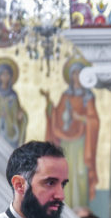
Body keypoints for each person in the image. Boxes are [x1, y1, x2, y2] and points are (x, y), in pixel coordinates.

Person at [42, 59, 100, 209]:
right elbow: (57, 115)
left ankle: (81, 207)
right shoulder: (65, 96)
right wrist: (50, 107)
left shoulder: (88, 97)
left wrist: (79, 117)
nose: (76, 77)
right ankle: (65, 204)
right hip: (65, 141)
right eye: (74, 73)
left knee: (80, 171)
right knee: (65, 171)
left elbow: (94, 120)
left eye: (79, 73)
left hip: (81, 142)